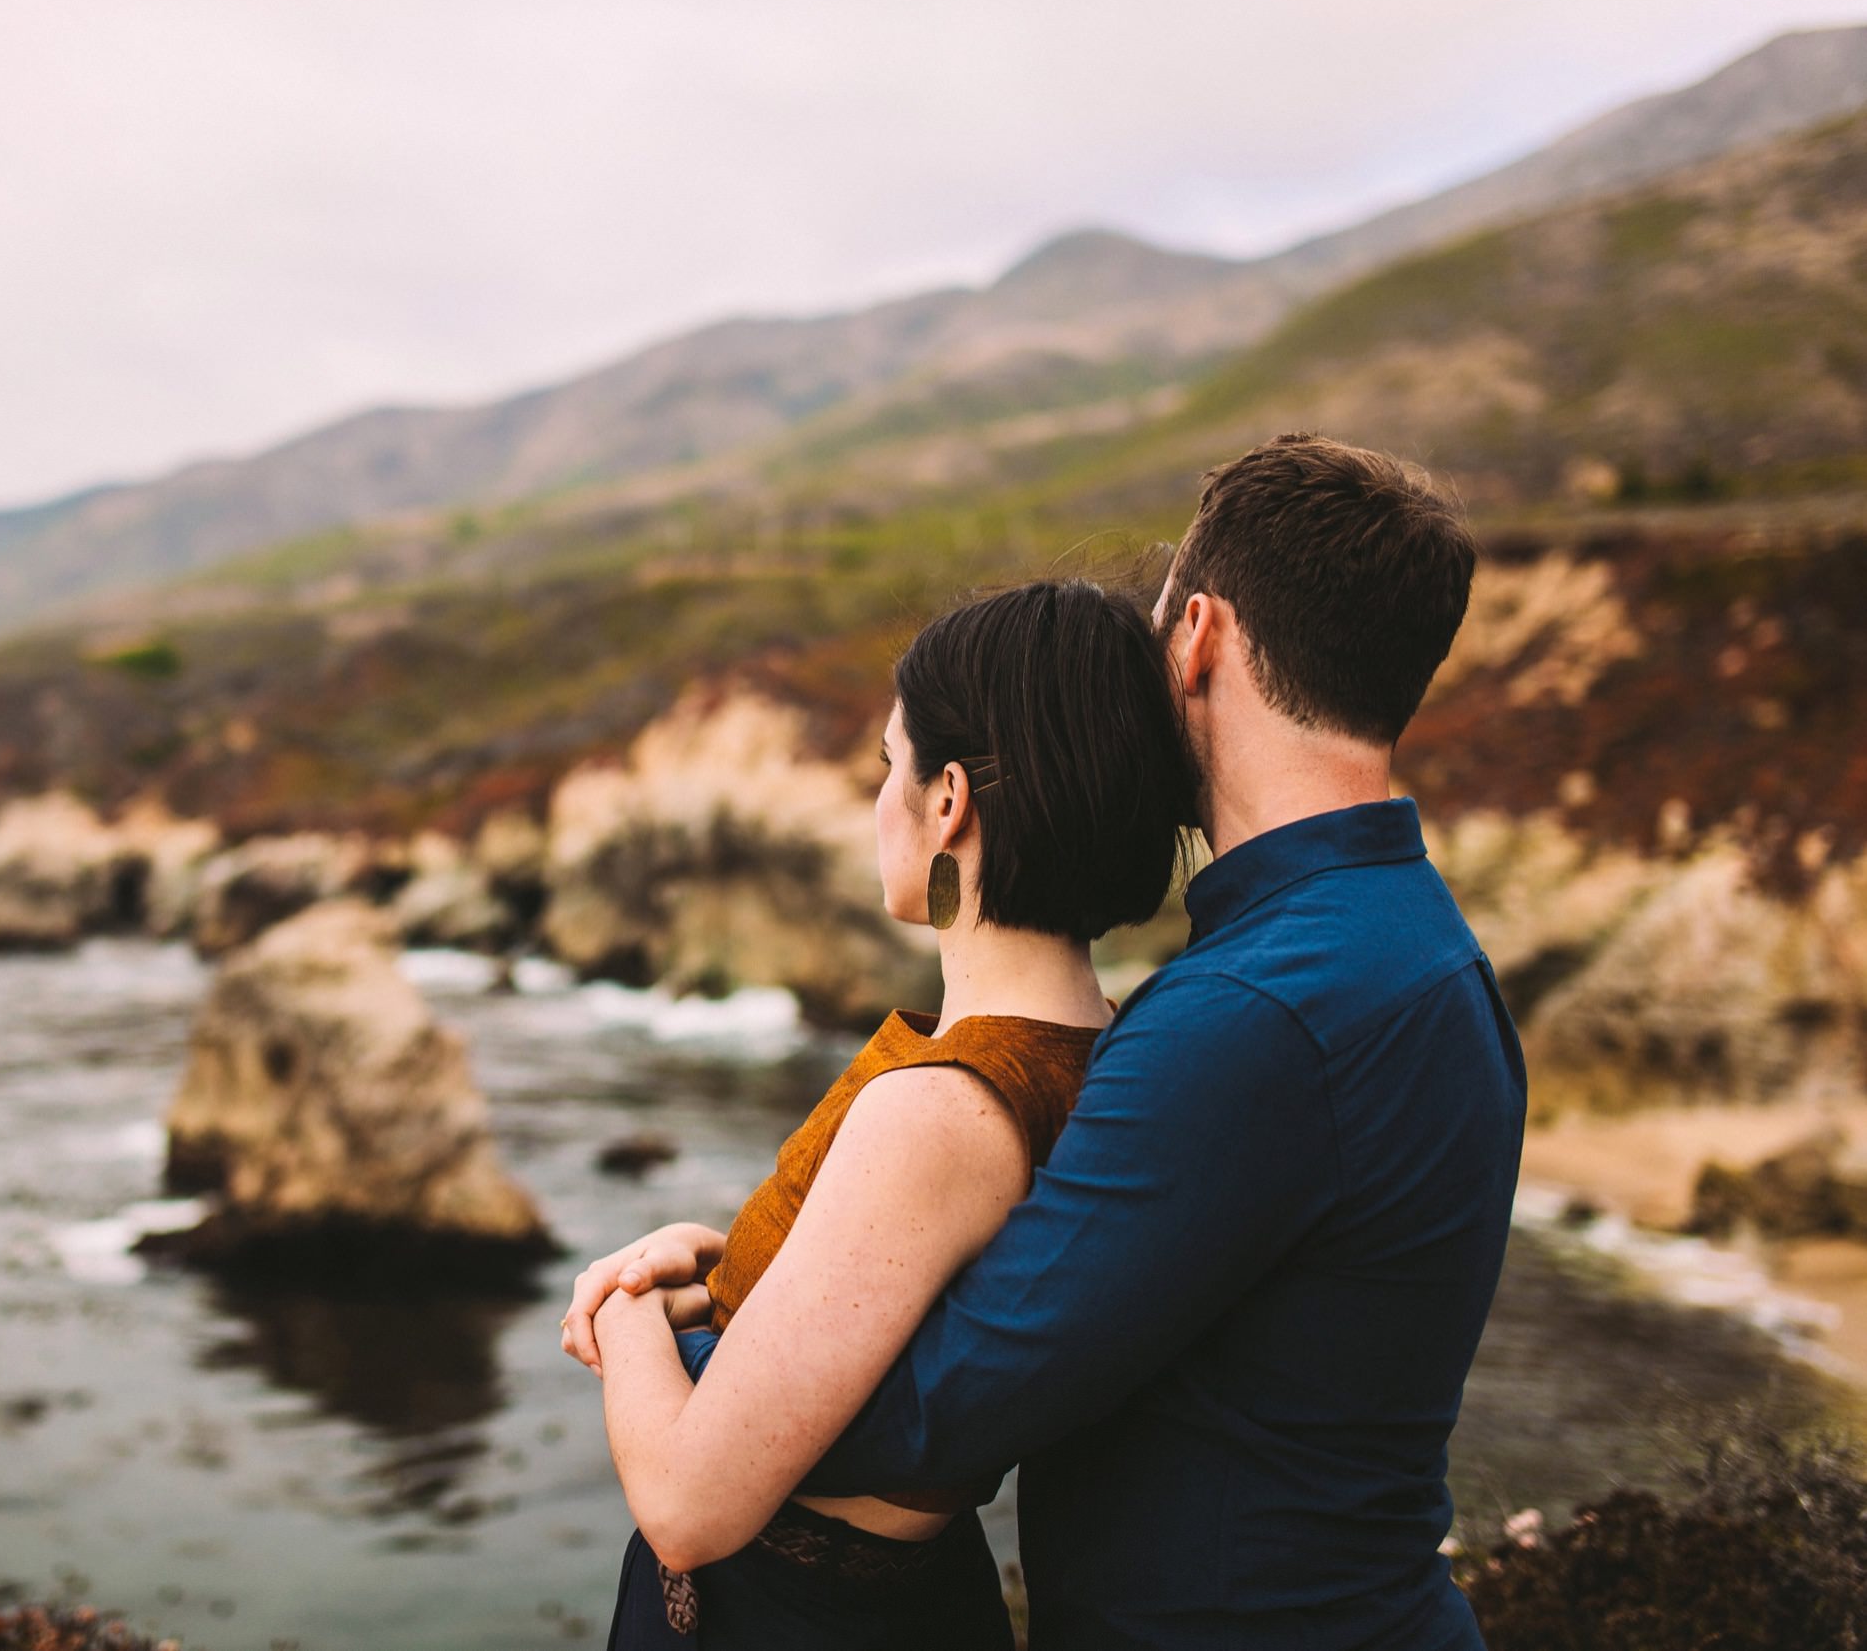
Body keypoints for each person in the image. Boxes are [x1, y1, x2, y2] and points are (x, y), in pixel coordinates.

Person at [566, 433, 1525, 1650]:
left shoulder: (1252, 1012)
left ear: (1198, 638)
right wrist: (783, 1264)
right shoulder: (1415, 947)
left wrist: (675, 1333)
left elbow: (946, 1395)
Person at [576, 575, 1193, 1648]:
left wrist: (624, 1307)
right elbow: (903, 1303)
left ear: (947, 800)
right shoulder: (1109, 1051)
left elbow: (683, 1506)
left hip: (789, 1614)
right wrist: (712, 1275)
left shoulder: (943, 1108)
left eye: (886, 766)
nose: (878, 802)